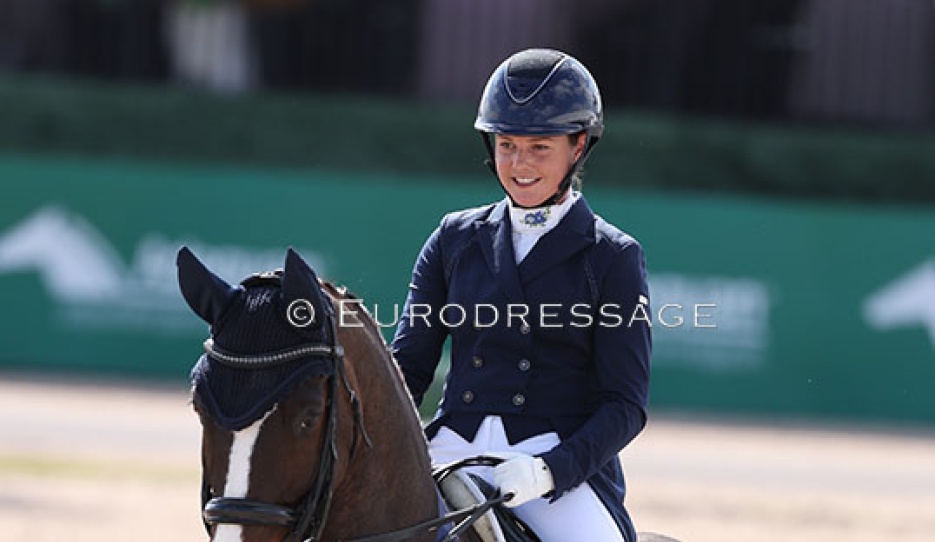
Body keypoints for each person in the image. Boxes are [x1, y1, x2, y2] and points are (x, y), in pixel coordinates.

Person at [391, 48, 651, 542]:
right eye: (507, 145)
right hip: (449, 453)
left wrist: (551, 470)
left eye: (539, 148)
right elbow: (407, 367)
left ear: (577, 147)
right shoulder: (453, 239)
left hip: (549, 470)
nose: (518, 164)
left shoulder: (612, 257)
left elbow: (625, 404)